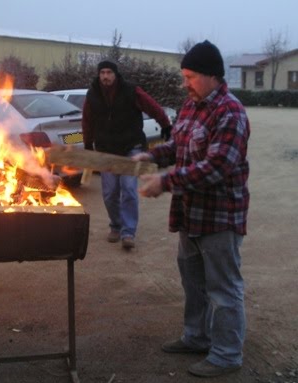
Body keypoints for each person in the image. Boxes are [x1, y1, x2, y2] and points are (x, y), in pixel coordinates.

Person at [133, 40, 250, 377]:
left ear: (212, 76)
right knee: (193, 283)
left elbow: (217, 166)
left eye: (191, 76)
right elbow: (178, 143)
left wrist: (165, 182)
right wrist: (152, 156)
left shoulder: (230, 112)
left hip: (219, 217)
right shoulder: (190, 105)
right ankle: (197, 337)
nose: (185, 83)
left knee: (224, 289)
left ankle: (227, 354)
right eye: (183, 76)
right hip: (190, 215)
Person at [82, 60, 172, 249]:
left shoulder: (130, 90)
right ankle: (116, 225)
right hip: (106, 149)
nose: (105, 76)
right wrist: (88, 144)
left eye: (109, 72)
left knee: (129, 189)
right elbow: (87, 120)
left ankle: (128, 232)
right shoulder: (92, 95)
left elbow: (152, 106)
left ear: (115, 74)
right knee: (109, 193)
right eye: (102, 72)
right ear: (99, 75)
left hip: (131, 146)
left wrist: (165, 124)